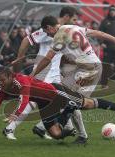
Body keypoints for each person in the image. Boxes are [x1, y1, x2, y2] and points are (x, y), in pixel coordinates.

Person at [10, 7, 88, 144]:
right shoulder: (49, 28)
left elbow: (64, 54)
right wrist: (20, 59)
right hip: (43, 72)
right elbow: (26, 40)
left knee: (66, 101)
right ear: (66, 16)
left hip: (55, 74)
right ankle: (11, 128)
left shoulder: (64, 31)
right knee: (36, 101)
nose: (76, 22)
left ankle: (46, 128)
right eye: (74, 19)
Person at [0, 66, 115, 140]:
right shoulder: (9, 85)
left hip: (57, 90)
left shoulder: (20, 80)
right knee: (56, 134)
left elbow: (24, 99)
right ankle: (69, 119)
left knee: (87, 104)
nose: (1, 84)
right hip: (46, 101)